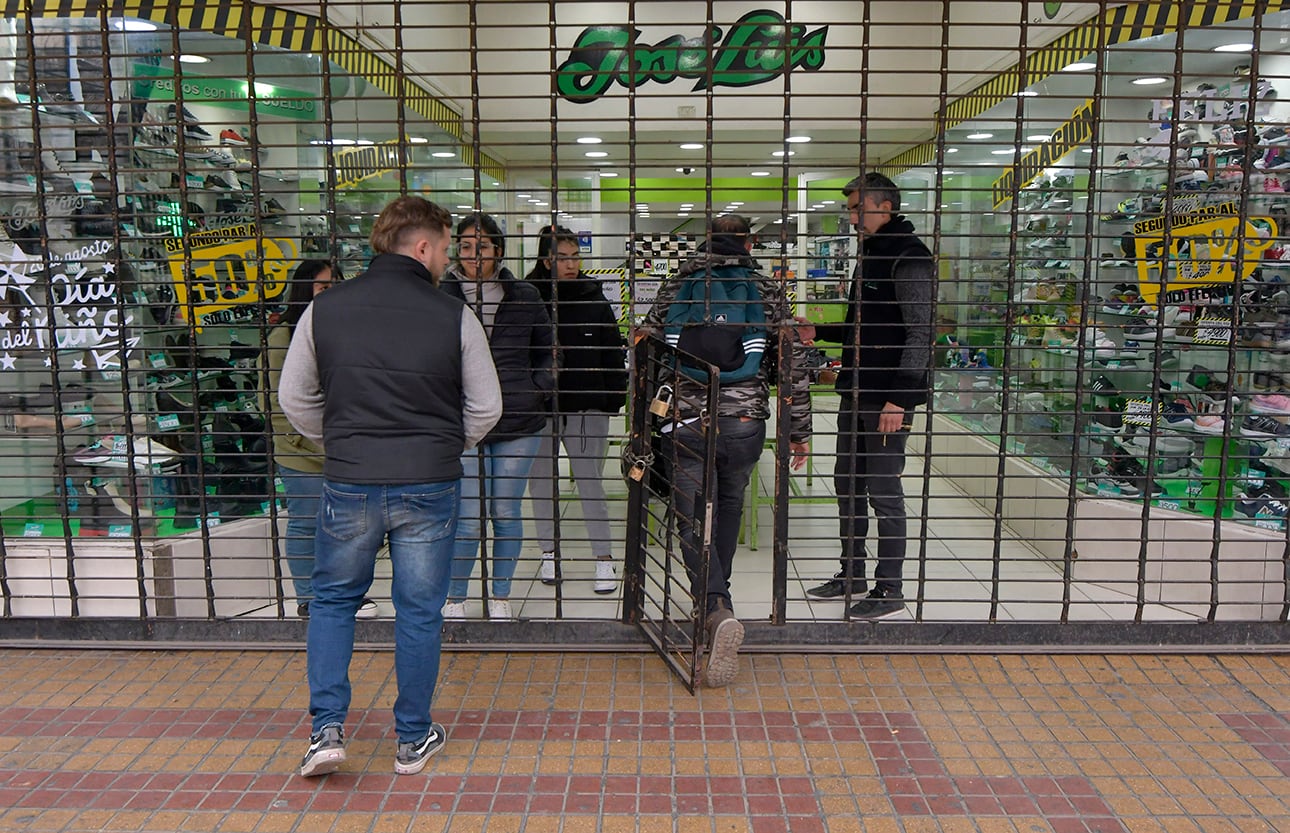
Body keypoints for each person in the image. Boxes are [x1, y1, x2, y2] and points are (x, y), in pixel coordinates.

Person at [279, 197, 501, 778]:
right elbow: (487, 406)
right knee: (419, 610)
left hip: (350, 479)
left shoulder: (324, 310)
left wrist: (341, 443)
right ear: (423, 246)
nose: (448, 260)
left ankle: (325, 731)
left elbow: (293, 399)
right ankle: (411, 739)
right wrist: (445, 446)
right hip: (428, 482)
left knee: (332, 601)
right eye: (448, 248)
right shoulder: (453, 314)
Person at [642, 214, 812, 687]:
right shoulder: (767, 290)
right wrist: (798, 430)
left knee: (693, 514)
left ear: (704, 242)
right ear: (749, 244)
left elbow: (646, 346)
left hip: (685, 421)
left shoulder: (678, 286)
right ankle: (717, 602)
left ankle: (715, 606)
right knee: (731, 503)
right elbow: (792, 367)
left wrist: (645, 417)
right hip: (743, 422)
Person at [804, 172, 934, 620]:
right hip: (855, 390)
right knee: (848, 485)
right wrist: (816, 331)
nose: (852, 216)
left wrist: (900, 401)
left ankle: (890, 587)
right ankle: (852, 573)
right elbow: (867, 328)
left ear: (885, 207)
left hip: (886, 399)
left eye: (858, 207)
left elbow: (921, 333)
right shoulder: (871, 254)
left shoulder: (909, 257)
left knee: (883, 491)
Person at [441, 213, 555, 620]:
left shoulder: (524, 294)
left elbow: (548, 348)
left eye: (483, 247)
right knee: (468, 517)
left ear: (498, 251)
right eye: (466, 247)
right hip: (461, 421)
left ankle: (501, 596)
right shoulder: (440, 294)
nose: (473, 256)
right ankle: (455, 597)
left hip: (518, 421)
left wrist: (537, 388)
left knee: (505, 511)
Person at [265, 260, 377, 620]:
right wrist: (317, 441)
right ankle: (308, 596)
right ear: (304, 291)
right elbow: (277, 403)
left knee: (346, 526)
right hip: (301, 453)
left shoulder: (345, 330)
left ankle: (347, 592)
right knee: (307, 521)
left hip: (342, 449)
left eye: (335, 285)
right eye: (321, 287)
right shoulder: (282, 338)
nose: (331, 293)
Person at [526, 227, 627, 593]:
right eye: (563, 257)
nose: (571, 264)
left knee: (590, 483)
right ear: (546, 259)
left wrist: (614, 398)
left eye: (575, 256)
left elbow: (612, 350)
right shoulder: (526, 297)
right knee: (541, 485)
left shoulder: (592, 296)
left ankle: (604, 559)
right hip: (540, 408)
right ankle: (549, 553)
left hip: (587, 406)